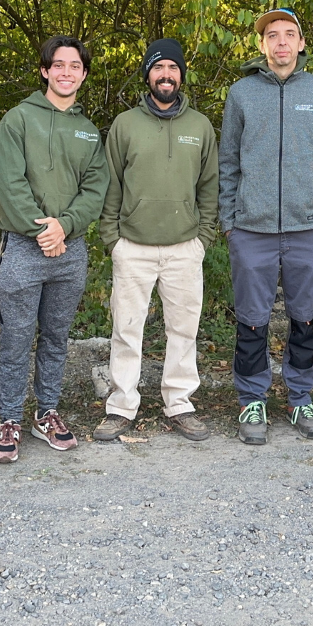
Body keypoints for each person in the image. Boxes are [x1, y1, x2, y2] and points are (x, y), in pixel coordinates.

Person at [219, 7, 313, 443]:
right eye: (274, 35)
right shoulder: (242, 94)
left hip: (308, 227)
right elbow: (229, 161)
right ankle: (252, 400)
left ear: (302, 43)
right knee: (252, 319)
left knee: (303, 318)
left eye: (290, 34)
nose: (282, 42)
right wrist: (230, 222)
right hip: (251, 229)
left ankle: (299, 398)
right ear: (262, 45)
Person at [0, 35, 109, 463]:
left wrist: (66, 227)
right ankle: (8, 419)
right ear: (44, 70)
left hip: (70, 250)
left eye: (74, 66)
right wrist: (43, 230)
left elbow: (96, 188)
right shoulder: (18, 120)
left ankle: (47, 413)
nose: (66, 73)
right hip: (23, 248)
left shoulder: (88, 131)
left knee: (57, 337)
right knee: (17, 337)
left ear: (83, 74)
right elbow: (9, 181)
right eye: (58, 65)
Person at [93, 39, 218, 443]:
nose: (167, 75)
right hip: (133, 246)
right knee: (127, 329)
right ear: (148, 74)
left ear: (182, 75)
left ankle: (179, 403)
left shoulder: (200, 127)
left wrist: (203, 238)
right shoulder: (125, 125)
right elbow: (110, 184)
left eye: (174, 69)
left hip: (184, 247)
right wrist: (112, 238)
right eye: (159, 67)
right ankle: (121, 406)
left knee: (183, 329)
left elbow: (210, 187)